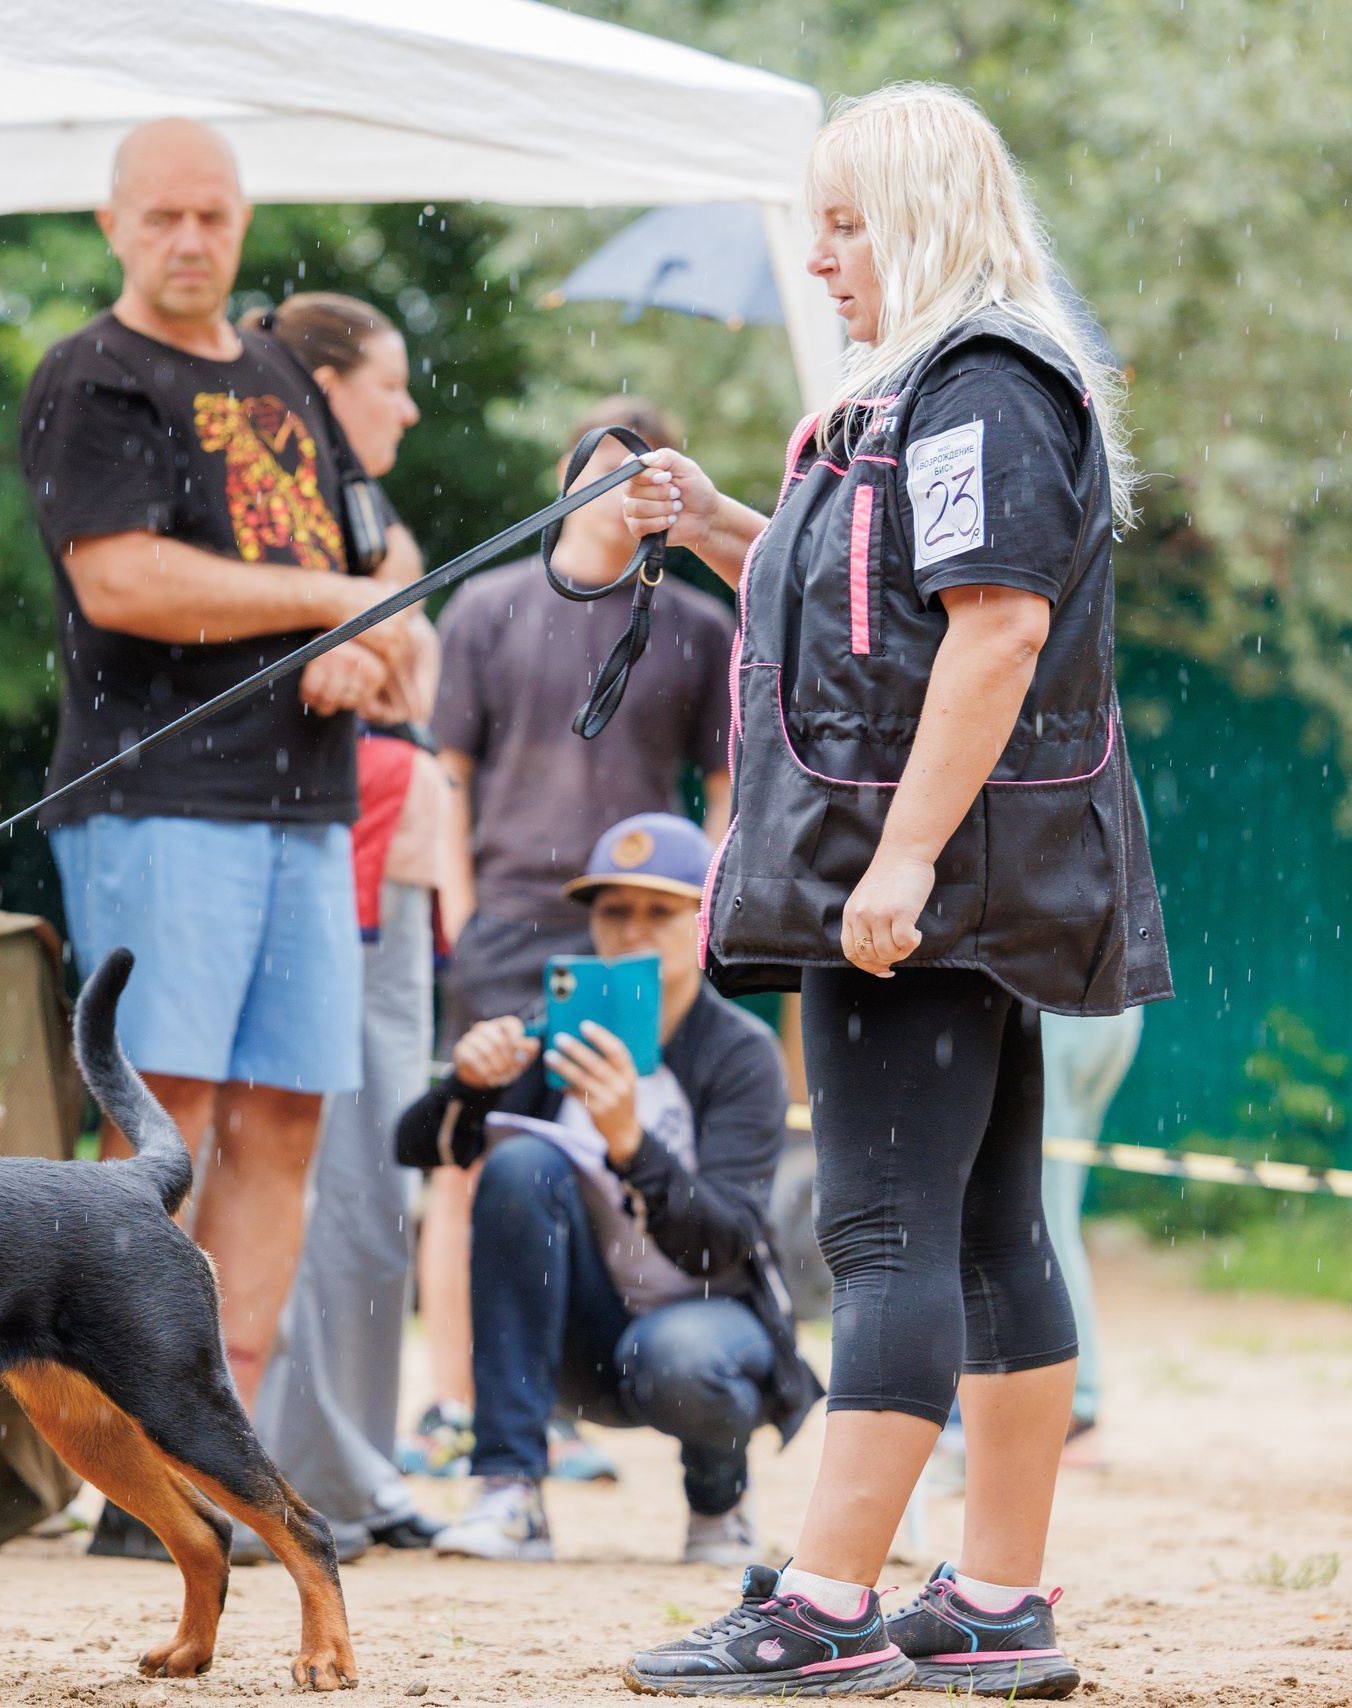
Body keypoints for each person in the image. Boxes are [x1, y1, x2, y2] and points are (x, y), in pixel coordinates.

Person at [618, 84, 1165, 1698]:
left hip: (928, 881)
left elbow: (995, 630)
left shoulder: (981, 388)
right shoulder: (924, 393)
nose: (823, 258)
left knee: (881, 1229)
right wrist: (720, 521)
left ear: (923, 216)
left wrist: (907, 860)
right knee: (989, 1228)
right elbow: (883, 626)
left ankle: (827, 1600)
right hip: (954, 873)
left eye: (847, 223)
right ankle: (994, 1596)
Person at [17, 119, 417, 1557]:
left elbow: (372, 560)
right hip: (154, 793)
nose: (193, 240)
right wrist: (323, 606)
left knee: (285, 1127)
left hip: (305, 804)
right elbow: (122, 579)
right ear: (115, 224)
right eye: (165, 216)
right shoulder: (94, 376)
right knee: (157, 1131)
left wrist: (368, 641)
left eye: (216, 215)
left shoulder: (282, 380)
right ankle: (138, 1483)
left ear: (246, 221)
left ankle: (226, 1460)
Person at [410, 396, 735, 1480]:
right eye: (607, 467)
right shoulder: (486, 608)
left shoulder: (694, 623)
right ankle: (459, 1403)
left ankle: (550, 1406)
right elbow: (445, 780)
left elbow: (727, 787)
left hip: (637, 925)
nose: (626, 487)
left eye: (649, 470)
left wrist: (711, 905)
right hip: (500, 924)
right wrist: (457, 915)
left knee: (613, 1150)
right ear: (566, 476)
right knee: (479, 1159)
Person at [396, 814, 818, 1568]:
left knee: (682, 1353)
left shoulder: (740, 1054)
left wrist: (630, 1142)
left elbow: (723, 1241)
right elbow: (419, 1148)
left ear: (704, 921)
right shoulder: (557, 1029)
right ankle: (508, 1491)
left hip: (701, 1332)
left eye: (661, 911)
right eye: (613, 910)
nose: (633, 932)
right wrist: (465, 1081)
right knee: (519, 1167)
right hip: (578, 1342)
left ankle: (719, 1506)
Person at [241, 292, 444, 1555]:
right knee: (300, 1177)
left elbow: (402, 664)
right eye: (390, 383)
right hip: (315, 847)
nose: (410, 408)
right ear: (321, 385)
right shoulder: (279, 510)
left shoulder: (374, 517)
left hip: (390, 851)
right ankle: (293, 1458)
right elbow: (364, 663)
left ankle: (350, 1459)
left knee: (374, 1189)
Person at [1041, 1009, 1143, 1461]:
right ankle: (1076, 1408)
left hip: (1055, 1002)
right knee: (1048, 1215)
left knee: (1033, 1220)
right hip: (1109, 999)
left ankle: (1072, 1411)